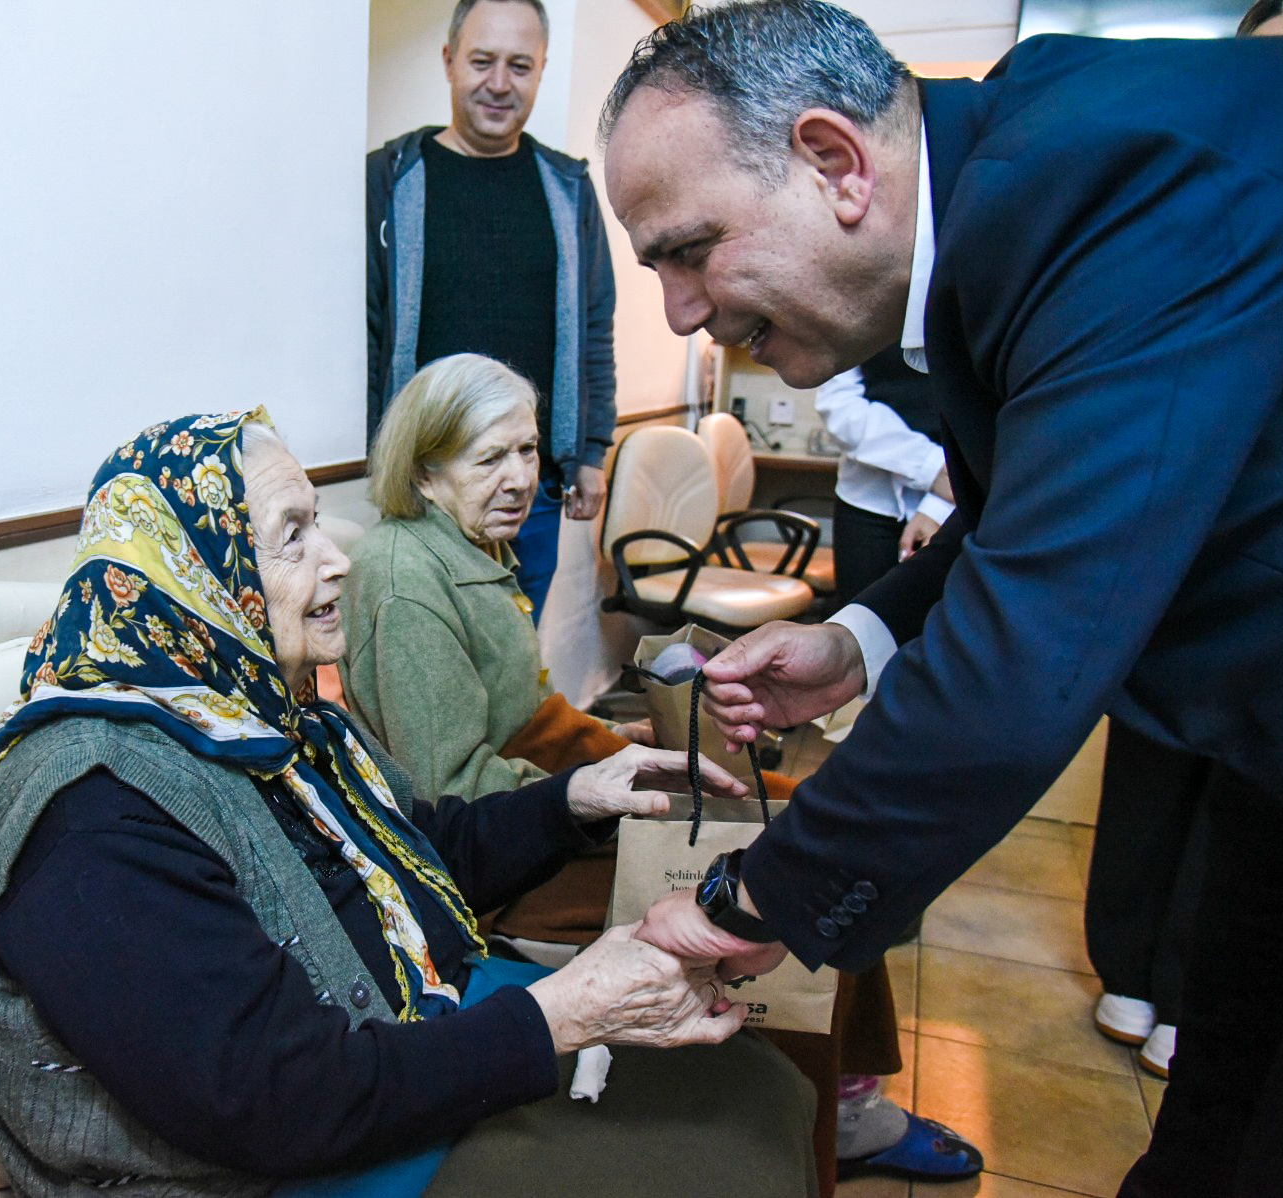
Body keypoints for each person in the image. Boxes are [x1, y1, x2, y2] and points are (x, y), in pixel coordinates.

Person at [596, 3, 1283, 1194]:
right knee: (1216, 1105)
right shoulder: (1010, 182)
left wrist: (752, 897)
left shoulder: (1112, 184)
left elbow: (1035, 634)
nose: (681, 312)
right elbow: (1031, 504)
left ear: (834, 163)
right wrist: (861, 637)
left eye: (688, 251)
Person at [0, 410, 822, 1197]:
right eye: (292, 535)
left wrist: (576, 799)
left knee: (752, 1085)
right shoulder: (91, 812)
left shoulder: (262, 717)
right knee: (724, 1141)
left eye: (318, 521)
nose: (339, 558)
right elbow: (274, 1102)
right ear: (193, 574)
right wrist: (565, 1012)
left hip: (402, 1050)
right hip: (282, 1163)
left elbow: (413, 855)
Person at [340, 352, 981, 1190]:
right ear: (425, 472)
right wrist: (606, 787)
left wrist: (623, 741)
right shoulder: (405, 582)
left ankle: (848, 1090)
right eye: (489, 457)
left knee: (812, 823)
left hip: (551, 795)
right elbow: (452, 798)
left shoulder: (466, 545)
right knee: (791, 878)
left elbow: (516, 721)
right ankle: (829, 1121)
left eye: (528, 451)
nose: (520, 478)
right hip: (499, 860)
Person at [1086, 0, 1283, 1085]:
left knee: (1247, 794)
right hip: (1177, 554)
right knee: (1151, 768)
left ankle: (1191, 986)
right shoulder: (1185, 216)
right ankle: (1127, 961)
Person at [366, 0, 616, 624]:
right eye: (482, 61)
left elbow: (593, 328)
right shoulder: (390, 179)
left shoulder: (569, 189)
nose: (500, 83)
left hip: (531, 492)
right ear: (449, 61)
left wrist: (591, 453)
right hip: (425, 486)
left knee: (515, 662)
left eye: (520, 66)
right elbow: (369, 329)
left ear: (541, 70)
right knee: (425, 659)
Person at [815, 346, 953, 603]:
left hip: (962, 501)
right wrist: (932, 468)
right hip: (868, 501)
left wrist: (942, 502)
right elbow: (838, 404)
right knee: (860, 613)